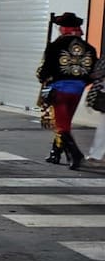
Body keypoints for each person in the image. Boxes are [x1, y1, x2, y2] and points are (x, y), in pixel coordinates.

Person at [36, 12, 97, 169]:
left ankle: (75, 156)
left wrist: (43, 78)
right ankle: (55, 153)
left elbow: (44, 70)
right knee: (65, 122)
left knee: (61, 125)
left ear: (64, 29)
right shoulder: (89, 48)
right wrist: (83, 82)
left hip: (59, 90)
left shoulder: (55, 46)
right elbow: (94, 71)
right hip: (77, 91)